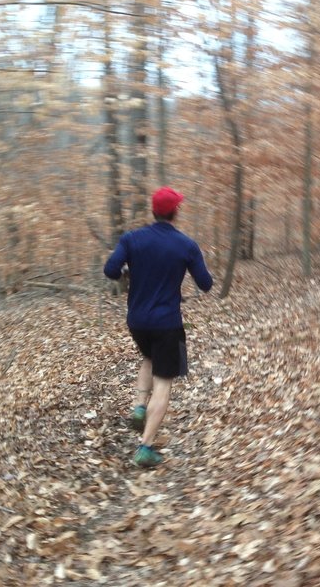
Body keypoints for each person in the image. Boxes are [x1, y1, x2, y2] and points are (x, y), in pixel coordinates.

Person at [104, 186, 213, 467]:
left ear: (153, 211)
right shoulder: (186, 245)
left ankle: (140, 407)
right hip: (167, 323)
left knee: (149, 358)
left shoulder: (131, 239)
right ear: (175, 213)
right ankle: (145, 447)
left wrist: (128, 271)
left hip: (137, 321)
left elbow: (110, 271)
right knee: (163, 383)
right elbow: (205, 284)